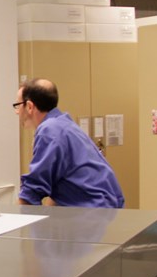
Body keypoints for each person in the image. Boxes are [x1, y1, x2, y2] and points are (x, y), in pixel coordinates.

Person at [15, 78, 124, 207]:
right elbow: (58, 186)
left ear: (29, 106)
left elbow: (33, 189)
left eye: (18, 105)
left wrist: (11, 221)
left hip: (93, 212)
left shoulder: (49, 131)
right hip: (107, 205)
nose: (17, 112)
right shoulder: (64, 123)